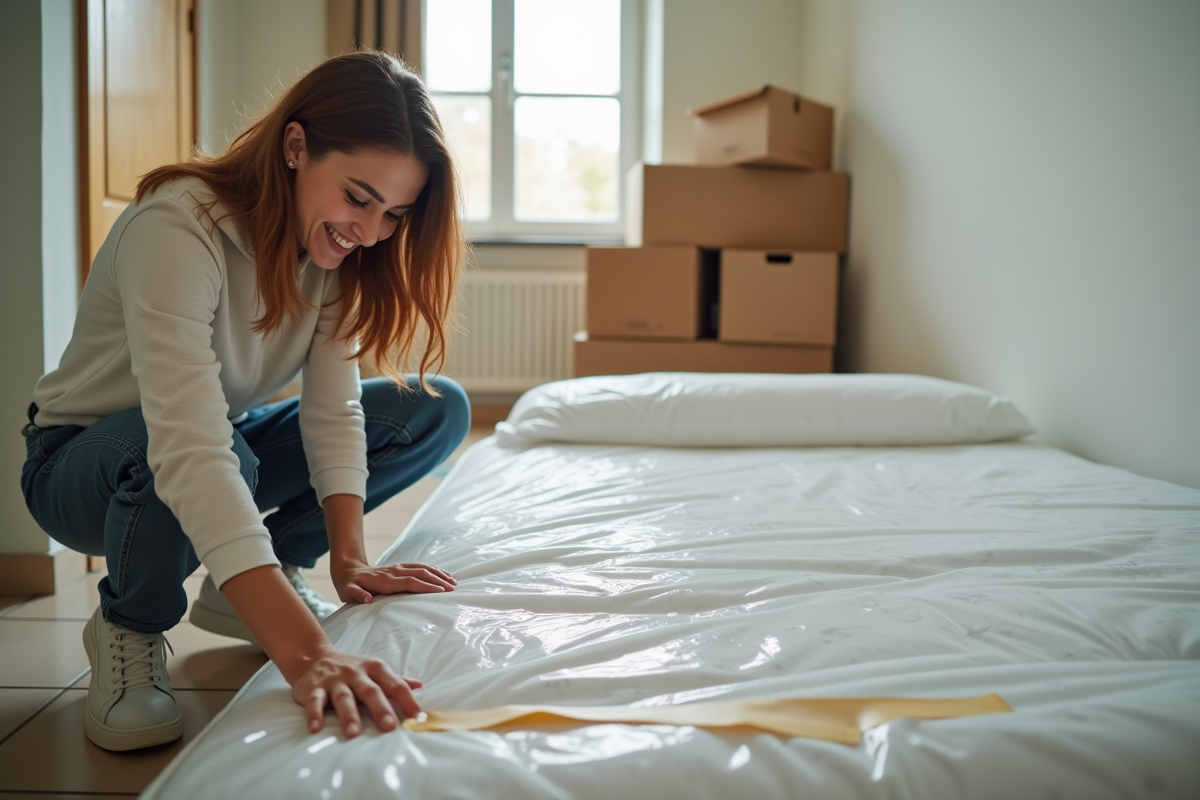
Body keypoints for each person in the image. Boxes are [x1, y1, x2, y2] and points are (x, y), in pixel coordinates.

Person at [19, 51, 468, 752]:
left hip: (208, 438)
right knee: (204, 449)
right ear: (296, 147)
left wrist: (349, 559)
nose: (372, 232)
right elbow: (188, 445)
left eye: (394, 214)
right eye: (358, 197)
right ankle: (129, 626)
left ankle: (250, 586)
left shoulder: (334, 255)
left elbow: (333, 412)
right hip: (80, 463)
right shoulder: (175, 227)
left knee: (434, 407)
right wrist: (305, 652)